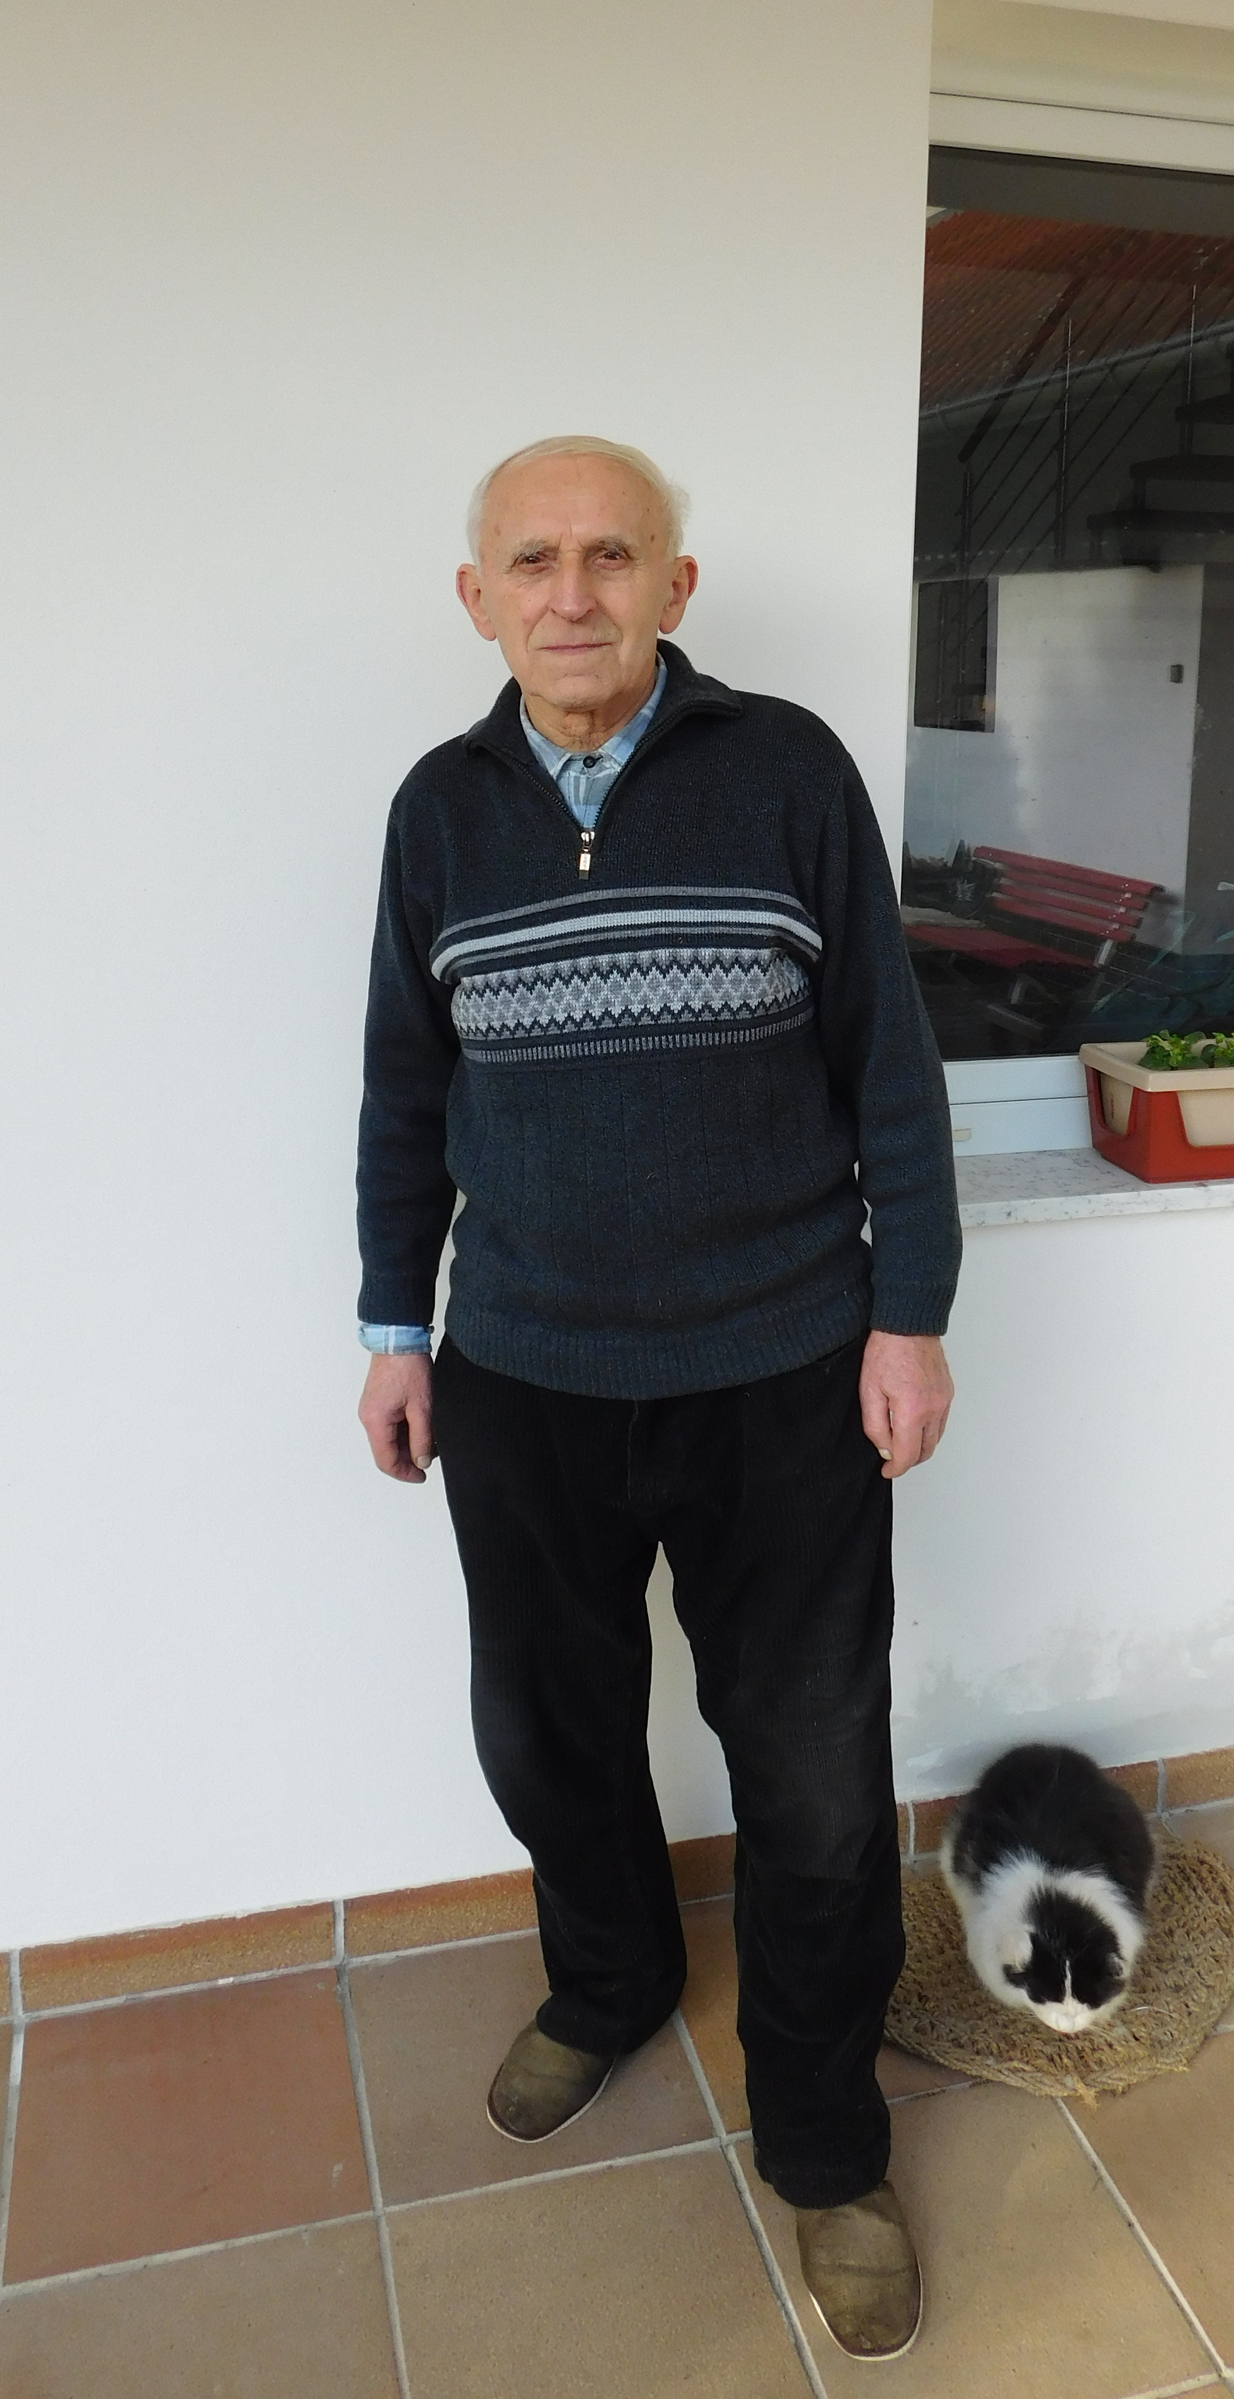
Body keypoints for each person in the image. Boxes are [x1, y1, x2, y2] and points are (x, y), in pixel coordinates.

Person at [356, 434, 961, 2362]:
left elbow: (888, 1065)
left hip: (781, 1368)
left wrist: (908, 1315)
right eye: (532, 559)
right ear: (477, 599)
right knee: (546, 1734)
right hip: (521, 1373)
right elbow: (404, 1091)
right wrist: (392, 1324)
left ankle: (824, 2138)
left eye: (612, 554)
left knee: (808, 1772)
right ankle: (608, 1985)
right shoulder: (439, 810)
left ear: (674, 586)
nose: (573, 591)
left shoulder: (785, 772)